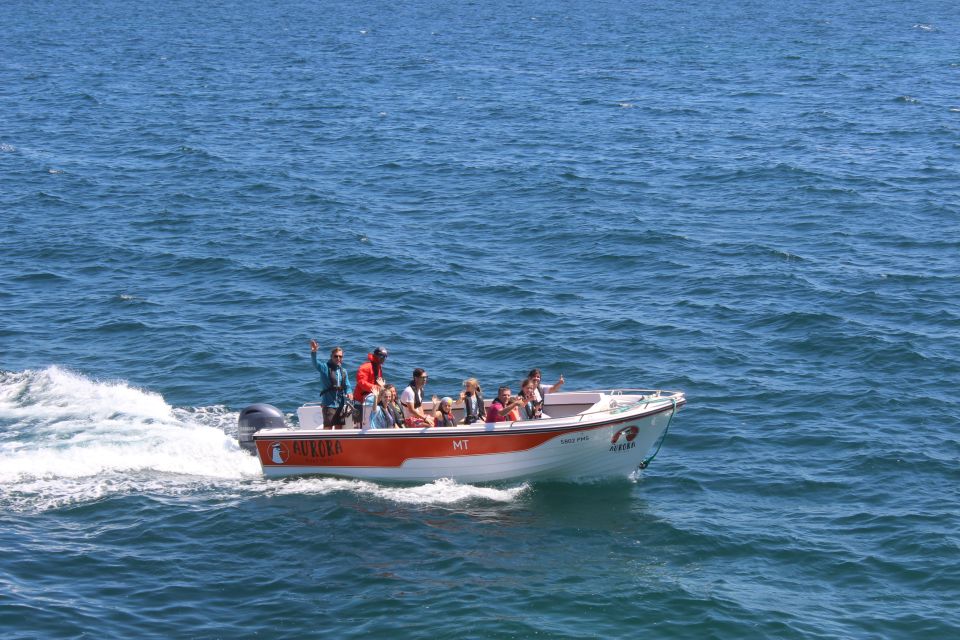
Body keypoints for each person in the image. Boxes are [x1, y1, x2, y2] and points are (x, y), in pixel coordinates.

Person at [310, 341, 353, 429]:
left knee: (339, 427)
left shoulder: (343, 371)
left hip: (340, 404)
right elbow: (315, 364)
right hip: (328, 404)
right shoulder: (324, 368)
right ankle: (327, 442)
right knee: (328, 428)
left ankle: (338, 443)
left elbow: (347, 385)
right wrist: (314, 352)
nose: (338, 358)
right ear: (331, 357)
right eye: (336, 356)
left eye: (340, 356)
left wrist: (349, 392)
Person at [355, 346, 388, 427]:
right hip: (362, 400)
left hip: (373, 398)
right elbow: (361, 382)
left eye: (385, 356)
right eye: (381, 356)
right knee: (363, 423)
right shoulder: (366, 367)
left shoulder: (378, 367)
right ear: (376, 355)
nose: (383, 358)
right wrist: (377, 388)